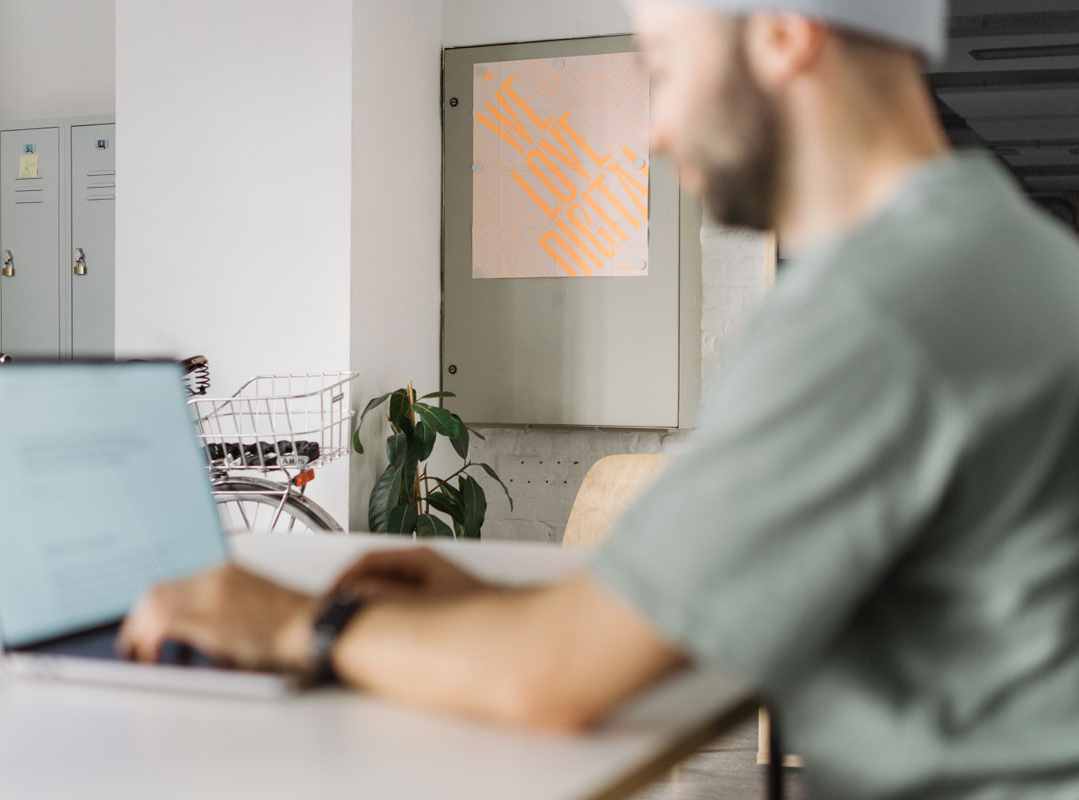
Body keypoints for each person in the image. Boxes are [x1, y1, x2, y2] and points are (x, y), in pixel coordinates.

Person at [119, 1, 1079, 796]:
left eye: (663, 64)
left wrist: (289, 624)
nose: (656, 129)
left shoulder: (874, 314)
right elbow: (703, 604)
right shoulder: (1001, 254)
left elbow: (555, 683)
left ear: (786, 33)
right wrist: (488, 604)